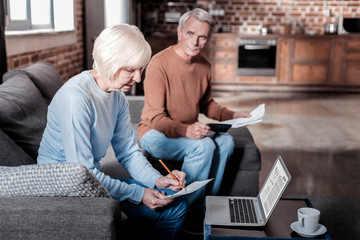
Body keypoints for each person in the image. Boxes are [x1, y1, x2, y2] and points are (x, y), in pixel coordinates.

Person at [37, 24, 188, 240]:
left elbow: (128, 152)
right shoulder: (76, 98)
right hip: (63, 186)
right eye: (130, 70)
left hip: (88, 179)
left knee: (173, 198)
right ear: (110, 61)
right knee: (174, 208)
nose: (138, 78)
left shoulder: (117, 97)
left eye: (140, 69)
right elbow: (83, 173)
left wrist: (158, 180)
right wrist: (139, 193)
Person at [138, 8, 252, 205]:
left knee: (226, 143)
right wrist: (186, 130)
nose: (195, 42)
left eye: (202, 37)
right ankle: (187, 210)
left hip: (186, 132)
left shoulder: (205, 65)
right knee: (203, 146)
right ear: (180, 32)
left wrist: (235, 115)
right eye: (190, 34)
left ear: (207, 39)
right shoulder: (158, 64)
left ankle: (207, 205)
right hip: (154, 133)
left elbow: (207, 105)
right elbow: (156, 118)